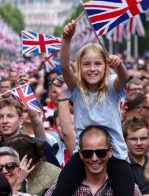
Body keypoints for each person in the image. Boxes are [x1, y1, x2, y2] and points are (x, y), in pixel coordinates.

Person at [52, 21, 135, 196]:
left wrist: (119, 65)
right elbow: (65, 67)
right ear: (80, 68)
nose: (92, 69)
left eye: (98, 64)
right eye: (86, 64)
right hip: (84, 153)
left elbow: (124, 78)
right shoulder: (76, 88)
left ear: (105, 67)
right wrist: (66, 39)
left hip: (115, 153)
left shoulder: (112, 86)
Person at [46, 126, 141, 195]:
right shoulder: (62, 185)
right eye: (88, 153)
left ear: (110, 152)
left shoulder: (126, 185)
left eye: (101, 153)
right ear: (80, 154)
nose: (94, 158)